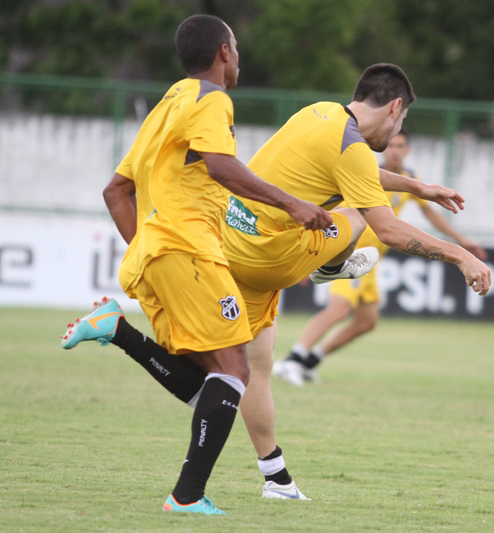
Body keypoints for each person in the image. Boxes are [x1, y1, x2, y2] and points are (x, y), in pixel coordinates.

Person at [60, 14, 331, 514]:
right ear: (224, 52)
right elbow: (221, 166)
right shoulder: (212, 99)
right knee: (234, 368)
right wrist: (293, 204)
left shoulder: (168, 102)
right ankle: (186, 496)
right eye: (237, 48)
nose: (239, 57)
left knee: (213, 379)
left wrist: (148, 250)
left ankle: (117, 331)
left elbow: (116, 191)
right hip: (187, 251)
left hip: (153, 255)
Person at [219, 63, 492, 486]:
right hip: (273, 257)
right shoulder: (354, 147)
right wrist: (461, 255)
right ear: (395, 108)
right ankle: (331, 266)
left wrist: (417, 187)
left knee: (254, 366)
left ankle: (277, 478)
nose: (397, 130)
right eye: (402, 120)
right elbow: (387, 229)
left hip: (232, 242)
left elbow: (356, 169)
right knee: (362, 213)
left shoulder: (317, 113)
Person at [275, 129, 488, 386]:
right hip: (348, 253)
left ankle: (309, 362)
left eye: (401, 146)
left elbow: (430, 214)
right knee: (339, 309)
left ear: (407, 150)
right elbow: (334, 207)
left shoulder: (410, 179)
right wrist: (314, 252)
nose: (395, 150)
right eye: (392, 145)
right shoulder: (365, 173)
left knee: (367, 321)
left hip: (371, 262)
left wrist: (462, 240)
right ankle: (292, 360)